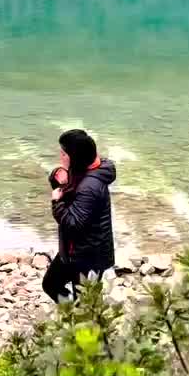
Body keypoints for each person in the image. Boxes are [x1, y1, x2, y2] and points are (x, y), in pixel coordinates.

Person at [43, 129, 116, 302]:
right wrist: (56, 176)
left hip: (88, 257)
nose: (60, 156)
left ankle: (80, 320)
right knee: (51, 284)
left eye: (63, 153)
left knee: (86, 304)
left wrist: (56, 202)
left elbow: (72, 223)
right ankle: (72, 315)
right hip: (73, 251)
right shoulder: (84, 168)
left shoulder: (89, 187)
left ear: (73, 157)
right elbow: (65, 182)